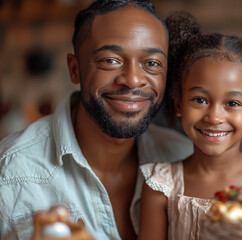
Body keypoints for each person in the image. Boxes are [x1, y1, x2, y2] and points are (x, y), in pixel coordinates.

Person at [0, 1, 192, 239]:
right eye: (110, 60)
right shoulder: (9, 174)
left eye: (151, 63)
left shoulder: (185, 159)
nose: (132, 80)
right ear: (75, 69)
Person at [138, 12, 242, 240]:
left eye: (232, 103)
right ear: (178, 104)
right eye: (200, 100)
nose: (214, 117)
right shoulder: (161, 187)